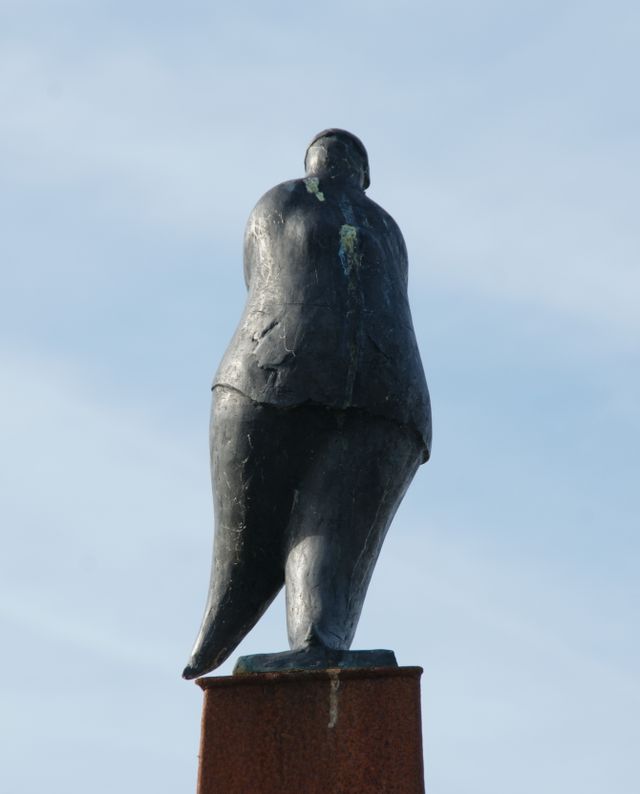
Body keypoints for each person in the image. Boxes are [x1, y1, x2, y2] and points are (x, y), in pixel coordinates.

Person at [183, 129, 431, 679]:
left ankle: (301, 642)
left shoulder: (277, 200)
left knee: (246, 547)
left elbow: (259, 273)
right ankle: (318, 637)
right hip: (389, 392)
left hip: (270, 371)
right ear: (360, 173)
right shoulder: (388, 226)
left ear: (313, 161)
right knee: (331, 529)